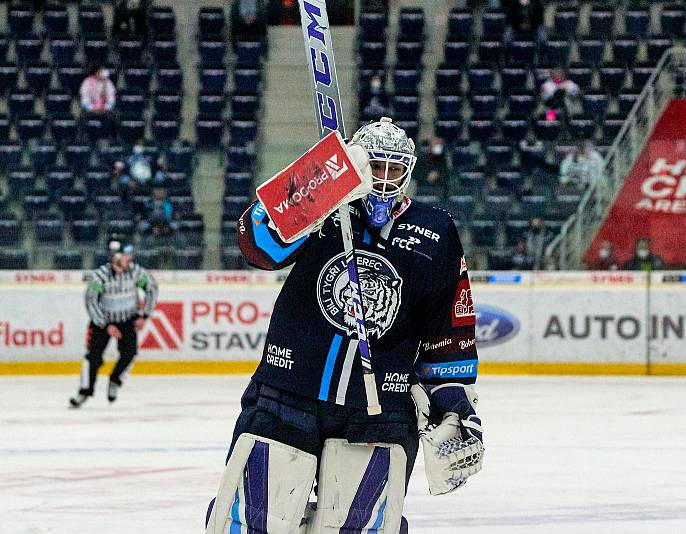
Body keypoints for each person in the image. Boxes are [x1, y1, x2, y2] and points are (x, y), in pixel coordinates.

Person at [205, 118, 484, 533]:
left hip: (381, 408)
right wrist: (320, 181)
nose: (384, 179)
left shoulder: (437, 232)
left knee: (357, 528)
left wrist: (455, 406)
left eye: (394, 168)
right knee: (252, 522)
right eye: (373, 165)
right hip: (288, 390)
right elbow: (255, 244)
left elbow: (448, 333)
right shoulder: (322, 207)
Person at [69, 236, 158, 408]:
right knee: (92, 358)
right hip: (103, 321)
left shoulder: (134, 272)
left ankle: (115, 380)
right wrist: (105, 325)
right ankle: (84, 392)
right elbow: (91, 301)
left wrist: (144, 315)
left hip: (127, 320)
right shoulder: (100, 276)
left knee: (130, 354)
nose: (130, 258)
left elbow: (151, 288)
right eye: (126, 255)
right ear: (116, 256)